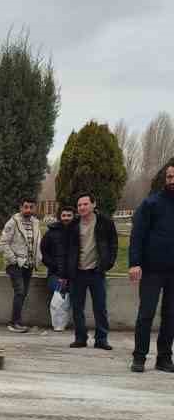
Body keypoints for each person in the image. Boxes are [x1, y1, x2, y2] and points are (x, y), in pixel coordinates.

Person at [128, 159, 174, 373]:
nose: (172, 180)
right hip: (152, 270)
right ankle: (139, 357)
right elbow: (137, 235)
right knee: (146, 314)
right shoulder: (151, 203)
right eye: (170, 177)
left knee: (171, 316)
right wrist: (135, 263)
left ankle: (164, 358)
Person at [62, 192, 117, 351]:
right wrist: (66, 272)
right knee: (77, 308)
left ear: (93, 204)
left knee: (100, 307)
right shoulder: (73, 225)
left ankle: (101, 339)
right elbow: (66, 250)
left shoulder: (105, 222)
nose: (82, 207)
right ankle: (80, 338)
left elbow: (113, 244)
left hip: (96, 272)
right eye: (79, 205)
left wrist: (108, 263)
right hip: (77, 272)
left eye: (85, 204)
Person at [0, 197, 42, 332]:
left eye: (31, 207)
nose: (28, 210)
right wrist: (14, 260)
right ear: (21, 208)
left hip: (29, 265)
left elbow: (36, 243)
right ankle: (14, 322)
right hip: (15, 264)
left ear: (34, 208)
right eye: (26, 207)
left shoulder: (36, 223)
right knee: (20, 291)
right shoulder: (13, 222)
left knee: (23, 293)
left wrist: (38, 259)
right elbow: (2, 244)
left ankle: (17, 321)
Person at [41, 204, 74, 323]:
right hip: (55, 274)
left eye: (69, 215)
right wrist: (54, 266)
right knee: (59, 296)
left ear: (73, 216)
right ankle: (58, 323)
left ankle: (70, 323)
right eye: (64, 215)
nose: (66, 218)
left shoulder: (78, 231)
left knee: (75, 298)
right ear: (60, 216)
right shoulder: (51, 233)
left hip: (74, 275)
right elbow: (43, 252)